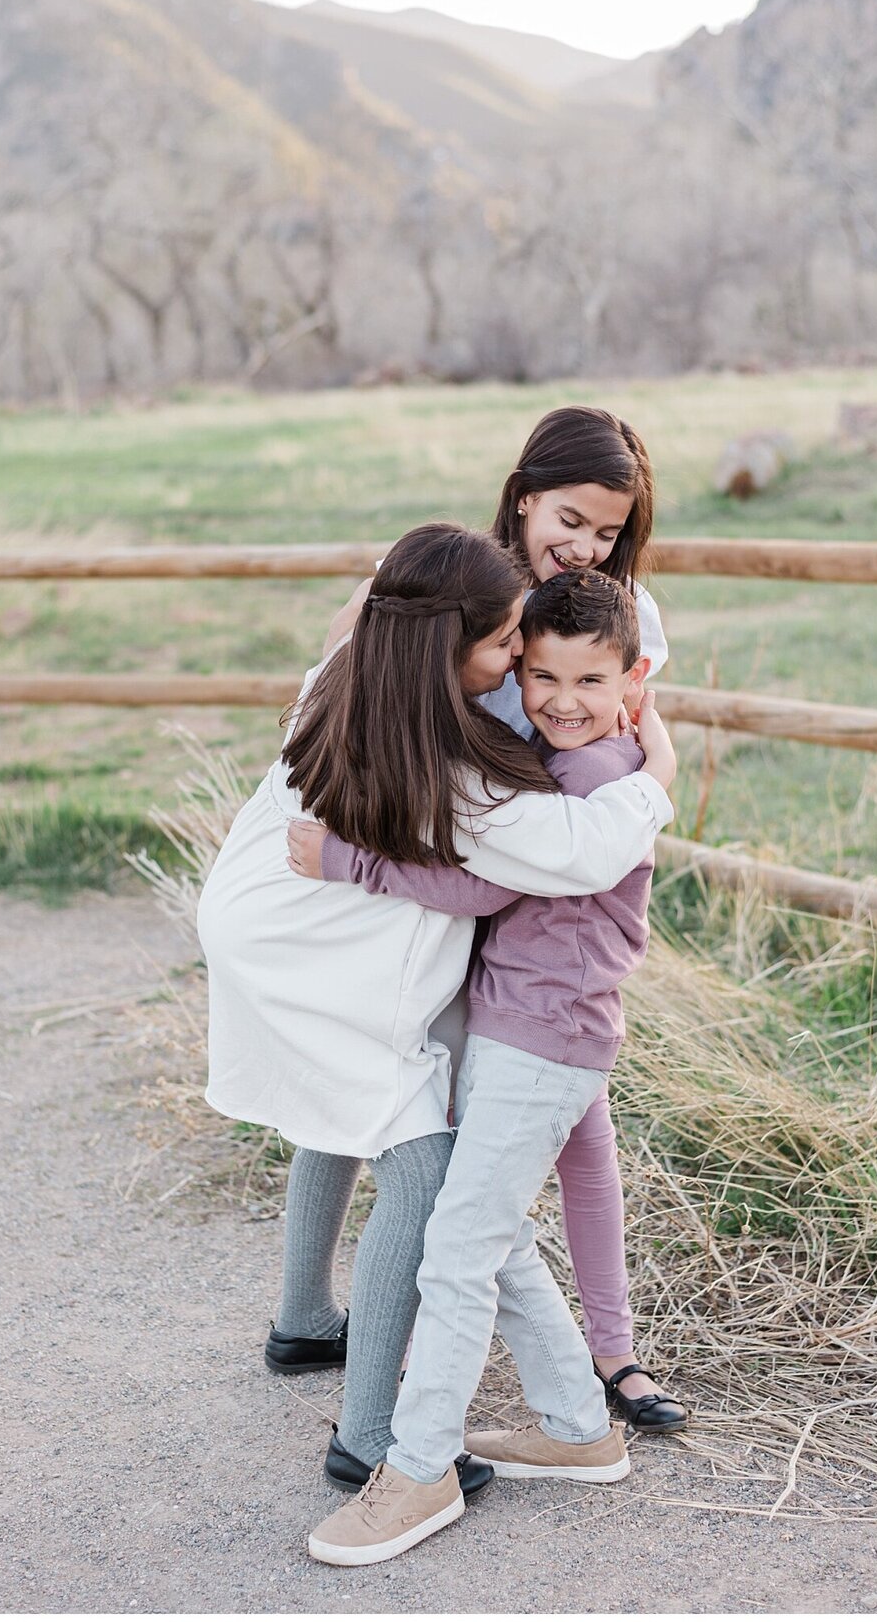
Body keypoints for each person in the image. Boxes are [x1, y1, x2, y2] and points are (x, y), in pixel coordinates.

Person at [196, 523, 675, 1504]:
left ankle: (303, 1322)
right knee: (419, 1164)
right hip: (312, 957)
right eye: (503, 644)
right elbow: (581, 852)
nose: (513, 665)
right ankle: (372, 1439)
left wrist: (400, 574)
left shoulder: (355, 673)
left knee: (347, 1109)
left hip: (257, 915)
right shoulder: (449, 771)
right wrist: (654, 777)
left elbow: (364, 601)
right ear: (444, 649)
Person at [319, 405, 678, 1427]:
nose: (586, 542)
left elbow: (625, 751)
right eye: (571, 517)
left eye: (608, 530)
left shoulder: (610, 620)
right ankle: (370, 1340)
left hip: (536, 916)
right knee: (415, 1122)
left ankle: (608, 1353)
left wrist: (655, 767)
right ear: (525, 494)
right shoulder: (469, 591)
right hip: (455, 887)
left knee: (567, 1142)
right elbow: (372, 673)